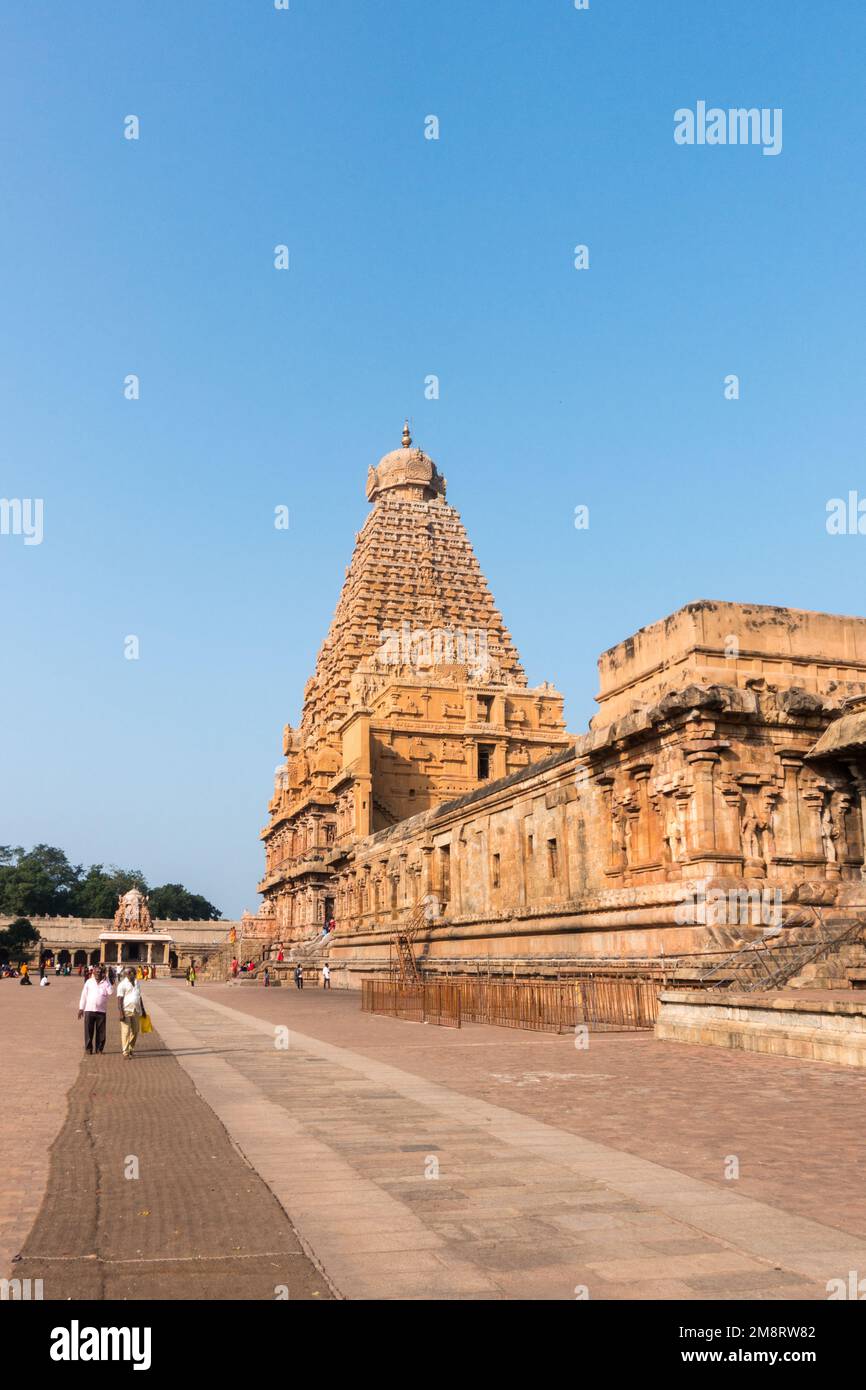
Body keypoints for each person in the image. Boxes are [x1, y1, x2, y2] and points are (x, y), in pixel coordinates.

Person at [78, 966, 113, 1054]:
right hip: (89, 1010)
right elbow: (84, 995)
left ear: (103, 973)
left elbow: (110, 992)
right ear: (93, 973)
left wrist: (107, 980)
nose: (98, 973)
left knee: (101, 1031)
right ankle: (88, 1049)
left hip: (101, 1011)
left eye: (100, 972)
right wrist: (81, 1008)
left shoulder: (105, 983)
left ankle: (99, 1049)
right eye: (96, 972)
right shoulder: (89, 982)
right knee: (88, 1031)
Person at [117, 966, 145, 1059]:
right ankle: (125, 1052)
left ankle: (130, 1048)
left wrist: (143, 1010)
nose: (133, 974)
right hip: (126, 1010)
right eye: (130, 973)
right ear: (126, 974)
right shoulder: (122, 984)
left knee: (135, 1031)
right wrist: (121, 1013)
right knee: (126, 1032)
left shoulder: (137, 983)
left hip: (136, 1010)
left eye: (133, 972)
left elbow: (139, 997)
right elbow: (119, 999)